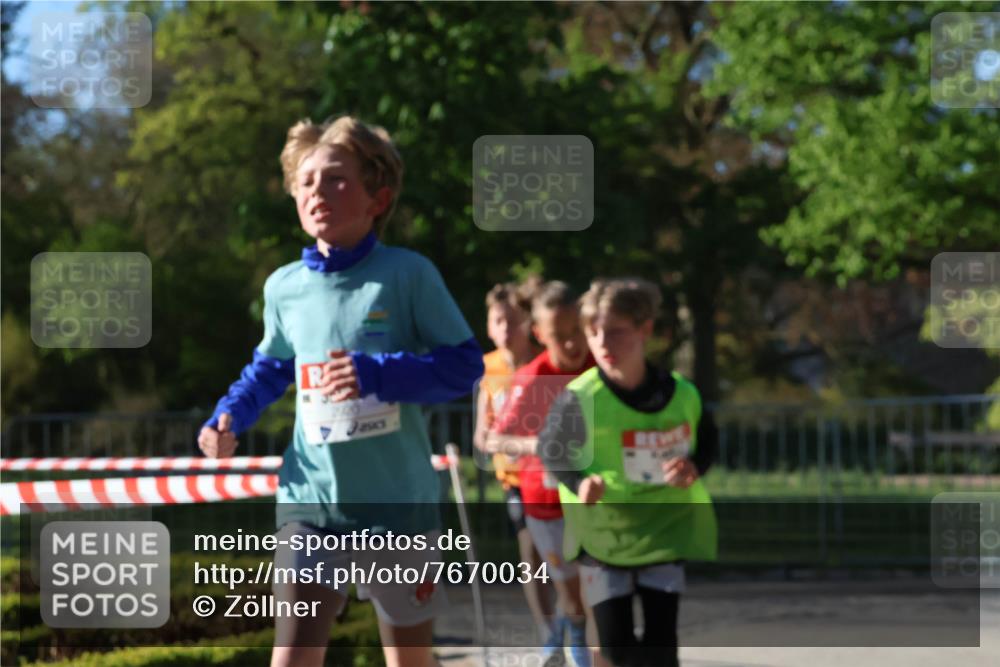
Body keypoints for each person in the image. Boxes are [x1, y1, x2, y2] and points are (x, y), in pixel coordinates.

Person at [196, 115, 484, 667]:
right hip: (311, 504)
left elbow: (463, 367)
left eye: (336, 179)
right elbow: (269, 369)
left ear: (379, 199)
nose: (317, 192)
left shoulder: (408, 274)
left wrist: (377, 373)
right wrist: (227, 416)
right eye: (305, 182)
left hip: (398, 508)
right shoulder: (284, 287)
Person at [539, 278, 718, 667]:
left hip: (663, 529)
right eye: (593, 332)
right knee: (615, 648)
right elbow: (551, 450)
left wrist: (693, 466)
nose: (602, 342)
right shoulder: (579, 397)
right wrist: (579, 482)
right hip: (605, 536)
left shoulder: (681, 393)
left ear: (644, 329)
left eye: (615, 331)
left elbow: (707, 441)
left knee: (660, 646)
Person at [483, 280, 594, 667]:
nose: (572, 344)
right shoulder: (532, 377)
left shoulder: (600, 369)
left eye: (577, 331)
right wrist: (541, 445)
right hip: (545, 502)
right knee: (570, 592)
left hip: (597, 498)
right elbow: (496, 439)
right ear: (540, 334)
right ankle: (567, 642)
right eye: (559, 336)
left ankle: (577, 638)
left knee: (598, 590)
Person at [471, 281, 550, 638]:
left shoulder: (544, 362)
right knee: (530, 551)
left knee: (564, 555)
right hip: (516, 479)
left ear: (529, 324)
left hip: (554, 475)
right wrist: (498, 441)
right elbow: (481, 434)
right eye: (498, 321)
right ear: (489, 327)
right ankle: (549, 633)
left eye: (513, 321)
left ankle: (576, 625)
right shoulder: (488, 368)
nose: (506, 329)